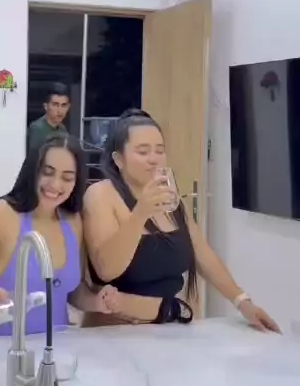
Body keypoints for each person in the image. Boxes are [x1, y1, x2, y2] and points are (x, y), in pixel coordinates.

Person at [82, 109, 280, 332]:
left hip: (166, 327)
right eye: (143, 151)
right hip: (113, 330)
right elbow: (107, 269)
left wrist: (242, 301)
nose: (153, 159)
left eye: (160, 150)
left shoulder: (169, 197)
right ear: (119, 159)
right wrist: (140, 213)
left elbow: (202, 254)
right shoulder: (101, 194)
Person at [0, 135, 118, 340]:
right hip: (3, 350)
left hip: (59, 349)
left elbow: (72, 292)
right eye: (47, 172)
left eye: (67, 178)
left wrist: (97, 301)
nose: (55, 184)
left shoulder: (73, 221)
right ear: (33, 170)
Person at [27, 82, 71, 151]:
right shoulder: (37, 129)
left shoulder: (62, 129)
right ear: (46, 106)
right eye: (55, 105)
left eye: (63, 105)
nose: (60, 110)